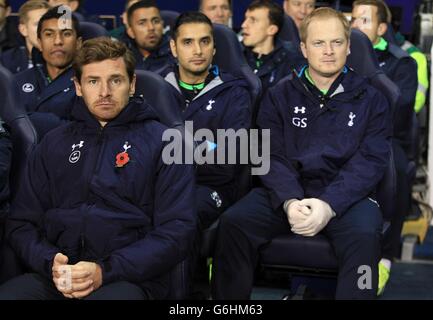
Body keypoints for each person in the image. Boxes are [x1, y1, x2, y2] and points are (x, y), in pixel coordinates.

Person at [211, 7, 392, 300]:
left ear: (348, 47)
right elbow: (269, 153)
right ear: (304, 48)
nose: (329, 51)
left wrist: (328, 205)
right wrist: (289, 201)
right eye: (319, 43)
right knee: (234, 223)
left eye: (336, 42)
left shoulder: (372, 99)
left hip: (347, 197)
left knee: (365, 236)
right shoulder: (279, 94)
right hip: (289, 191)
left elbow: (370, 161)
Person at [0, 37, 196, 300]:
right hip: (58, 276)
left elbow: (177, 231)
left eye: (115, 80)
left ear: (132, 84)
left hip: (128, 278)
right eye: (93, 81)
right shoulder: (53, 143)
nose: (104, 92)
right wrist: (50, 262)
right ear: (78, 87)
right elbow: (21, 223)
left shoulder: (165, 144)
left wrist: (105, 270)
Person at [351, 0, 418, 296]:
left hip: (387, 138)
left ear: (381, 28)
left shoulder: (402, 61)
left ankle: (385, 257)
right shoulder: (334, 54)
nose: (355, 26)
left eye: (363, 20)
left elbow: (401, 108)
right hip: (343, 135)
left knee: (397, 169)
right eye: (352, 19)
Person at [12, 6, 81, 137]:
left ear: (78, 43)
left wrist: (30, 120)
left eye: (66, 34)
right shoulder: (16, 81)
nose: (58, 41)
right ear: (39, 42)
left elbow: (87, 131)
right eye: (49, 34)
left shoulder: (90, 82)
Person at [241, 0, 305, 93]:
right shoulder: (235, 58)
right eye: (245, 19)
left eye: (253, 20)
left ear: (271, 29)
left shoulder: (292, 65)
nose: (244, 25)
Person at [0, 0, 49, 74]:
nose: (45, 29)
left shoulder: (66, 59)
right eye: (37, 24)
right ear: (23, 29)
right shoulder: (5, 62)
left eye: (48, 24)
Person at [125, 0, 174, 72]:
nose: (151, 28)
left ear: (162, 25)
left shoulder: (176, 54)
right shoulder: (122, 56)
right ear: (131, 32)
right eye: (142, 23)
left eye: (156, 21)